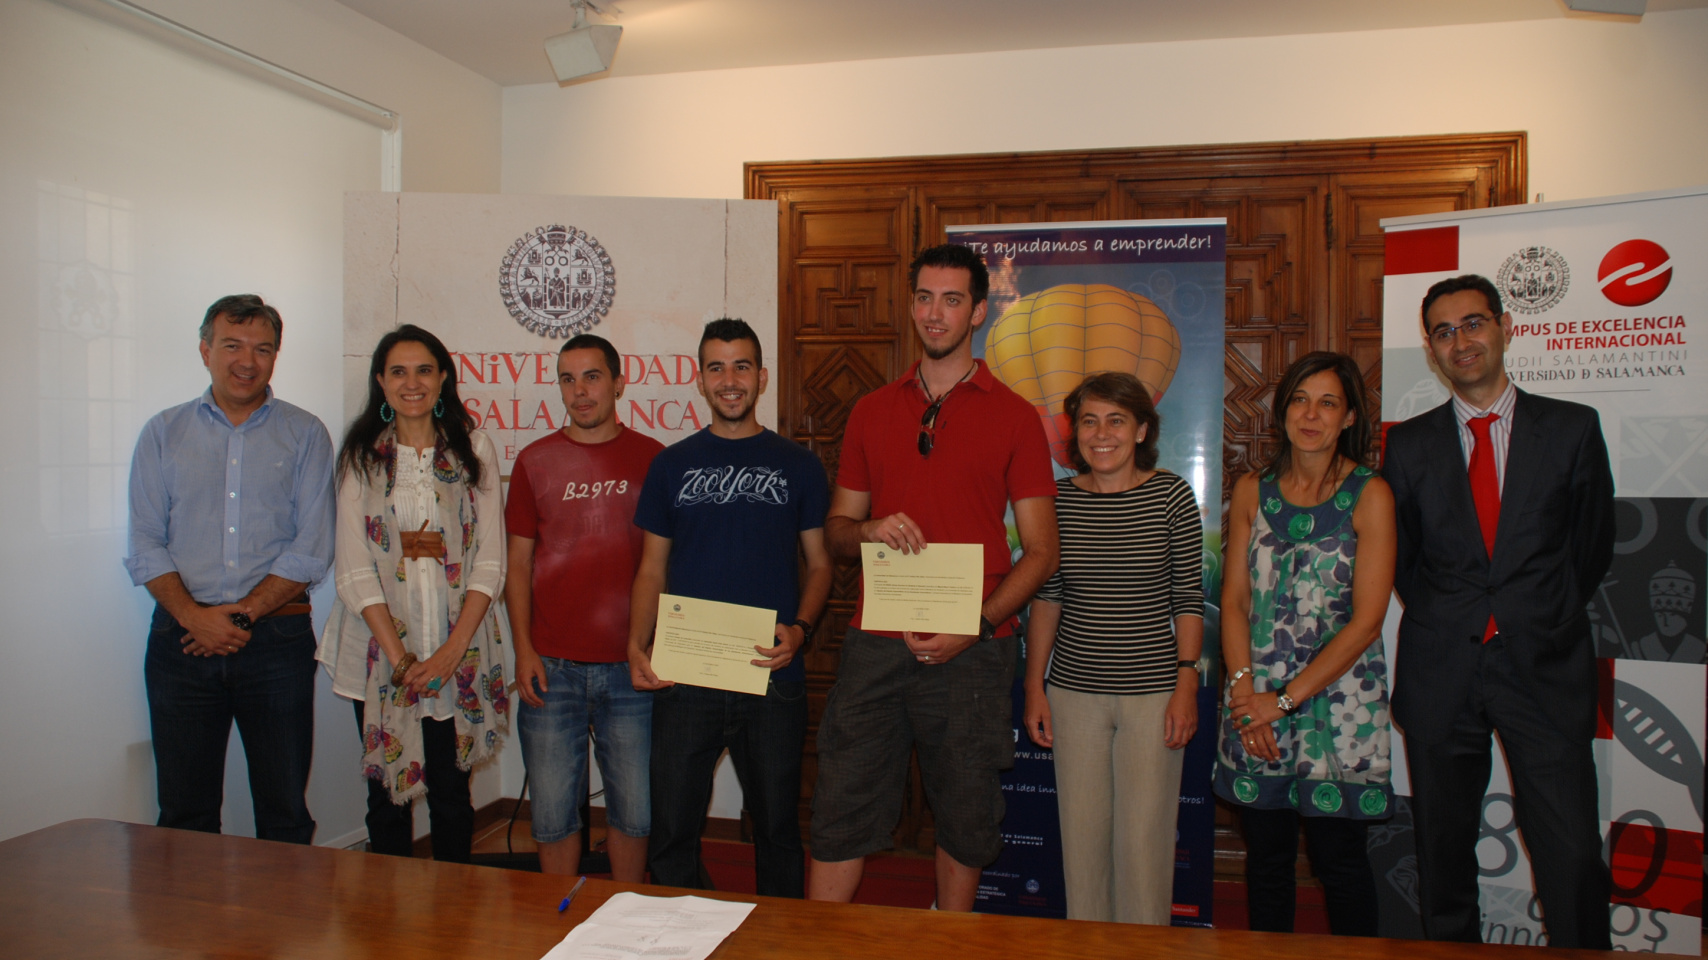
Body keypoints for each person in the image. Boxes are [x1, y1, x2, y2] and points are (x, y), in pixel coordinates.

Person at [808, 243, 1060, 911]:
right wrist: (867, 530)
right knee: (840, 806)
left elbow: (1042, 552)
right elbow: (836, 532)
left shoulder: (1015, 416)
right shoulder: (871, 410)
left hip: (974, 649)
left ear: (978, 311)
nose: (934, 313)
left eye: (951, 300)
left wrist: (974, 625)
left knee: (966, 816)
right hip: (875, 643)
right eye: (924, 297)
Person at [1383, 275, 1615, 948]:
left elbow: (1591, 547)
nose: (1461, 341)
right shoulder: (1408, 444)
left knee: (1571, 853)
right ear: (1430, 348)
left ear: (1505, 327)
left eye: (1473, 323)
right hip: (1441, 667)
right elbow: (1404, 558)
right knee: (1443, 854)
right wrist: (1455, 615)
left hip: (1543, 667)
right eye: (1444, 331)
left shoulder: (1572, 428)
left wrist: (1532, 612)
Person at [628, 318, 832, 897]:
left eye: (741, 366)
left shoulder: (798, 465)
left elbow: (820, 564)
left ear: (761, 377)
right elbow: (651, 568)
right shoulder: (671, 465)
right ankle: (678, 933)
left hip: (770, 673)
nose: (730, 380)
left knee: (776, 830)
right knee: (672, 831)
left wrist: (801, 629)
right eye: (716, 368)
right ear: (700, 380)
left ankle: (779, 937)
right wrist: (635, 644)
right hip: (685, 673)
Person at [126, 294, 334, 843]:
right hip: (180, 642)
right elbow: (145, 542)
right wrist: (194, 617)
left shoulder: (306, 433)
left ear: (275, 356)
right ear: (205, 350)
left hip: (277, 643)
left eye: (262, 349)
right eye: (232, 345)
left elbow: (312, 546)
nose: (247, 361)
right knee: (184, 815)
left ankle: (284, 906)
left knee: (285, 811)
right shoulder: (163, 432)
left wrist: (240, 616)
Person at [1213, 351, 1397, 936]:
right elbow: (1234, 602)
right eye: (1299, 400)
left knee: (1340, 864)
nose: (1310, 415)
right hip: (1255, 701)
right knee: (1267, 863)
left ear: (1349, 417)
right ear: (1282, 410)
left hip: (1339, 708)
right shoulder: (1252, 490)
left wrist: (1284, 701)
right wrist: (1246, 695)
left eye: (1328, 403)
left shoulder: (1371, 494)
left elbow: (1367, 621)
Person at [316, 324, 508, 863]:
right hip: (379, 654)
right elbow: (353, 569)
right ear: (380, 381)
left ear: (443, 377)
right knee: (385, 804)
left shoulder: (475, 448)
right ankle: (387, 911)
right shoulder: (361, 456)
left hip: (458, 651)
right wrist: (401, 659)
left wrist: (449, 653)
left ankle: (453, 908)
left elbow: (490, 560)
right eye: (398, 372)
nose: (412, 383)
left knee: (452, 796)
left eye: (424, 370)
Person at [1021, 371, 1203, 924]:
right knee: (1082, 847)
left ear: (1142, 430)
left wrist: (1187, 684)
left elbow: (1188, 597)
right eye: (1089, 421)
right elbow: (1048, 598)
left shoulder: (1171, 495)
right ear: (1075, 432)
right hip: (1074, 695)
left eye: (1116, 421)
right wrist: (1034, 686)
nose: (1102, 434)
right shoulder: (1057, 501)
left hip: (1154, 696)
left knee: (1145, 847)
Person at [506, 334, 664, 879]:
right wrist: (523, 649)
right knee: (552, 816)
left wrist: (658, 644)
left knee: (635, 815)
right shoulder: (534, 461)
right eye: (568, 379)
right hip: (551, 668)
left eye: (592, 377)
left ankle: (627, 913)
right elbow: (518, 566)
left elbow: (665, 564)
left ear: (619, 383)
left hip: (631, 668)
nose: (580, 391)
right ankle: (559, 916)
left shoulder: (654, 460)